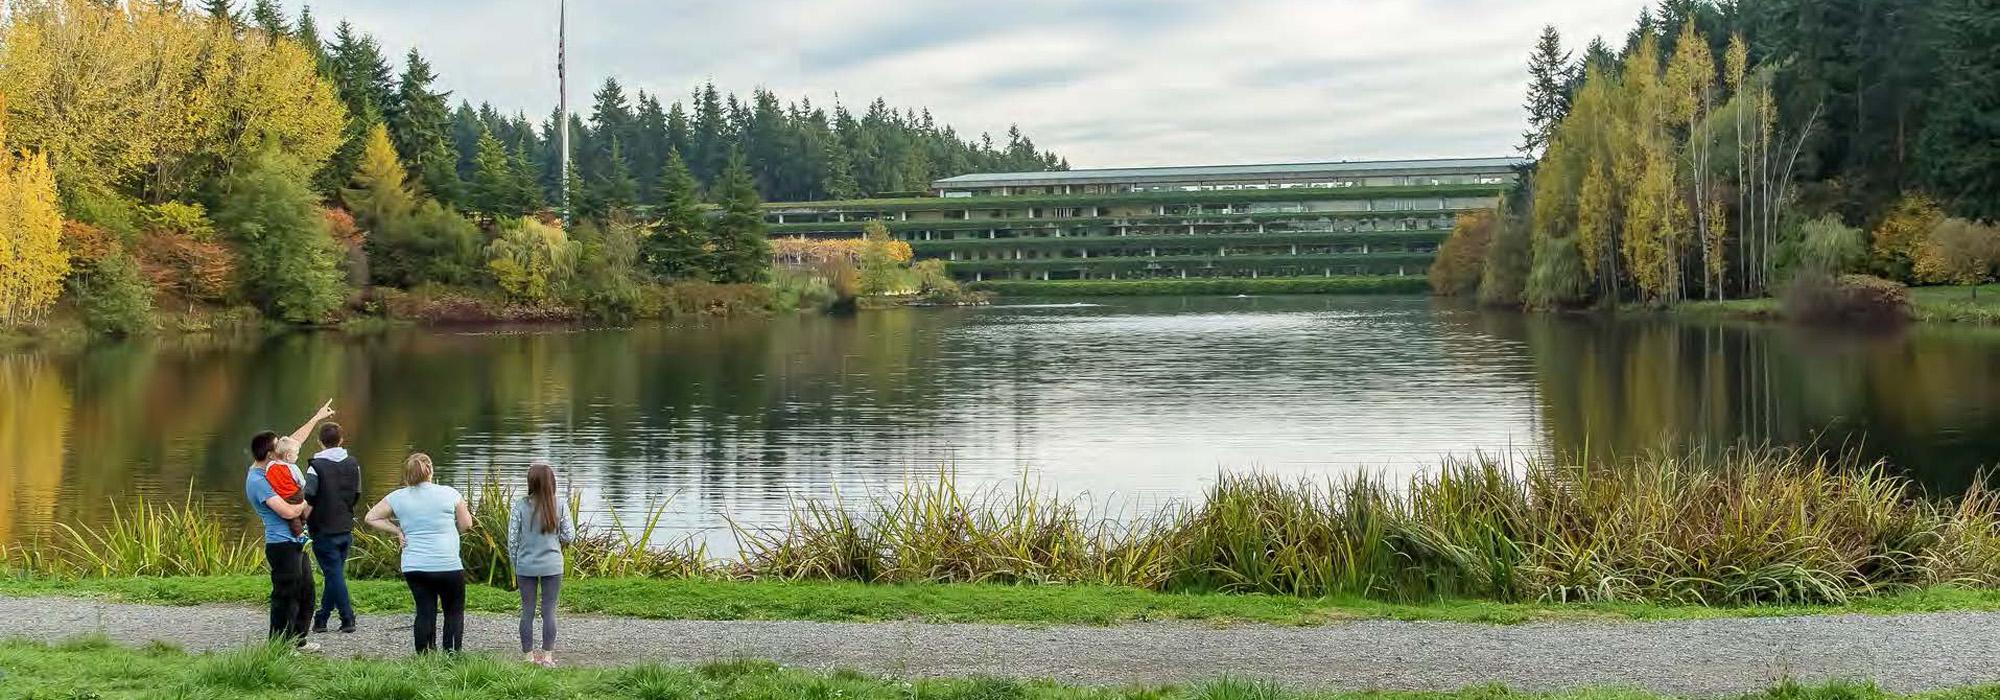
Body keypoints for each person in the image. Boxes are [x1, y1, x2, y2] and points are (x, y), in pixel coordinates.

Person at [245, 399, 336, 651]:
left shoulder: (277, 465)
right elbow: (286, 511)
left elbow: (293, 441)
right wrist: (307, 500)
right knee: (285, 596)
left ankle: (298, 640)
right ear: (269, 453)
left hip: (295, 542)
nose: (284, 446)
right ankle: (279, 646)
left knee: (306, 591)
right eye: (278, 446)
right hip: (281, 544)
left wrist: (317, 417)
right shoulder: (258, 480)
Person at [364, 453, 472, 654]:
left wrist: (397, 530)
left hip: (415, 565)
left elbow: (371, 517)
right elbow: (467, 524)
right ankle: (452, 654)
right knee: (454, 611)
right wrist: (452, 534)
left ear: (407, 474)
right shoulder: (450, 493)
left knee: (424, 611)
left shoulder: (397, 497)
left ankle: (424, 655)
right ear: (430, 470)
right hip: (447, 563)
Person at [507, 463, 574, 667]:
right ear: (551, 481)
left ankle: (528, 657)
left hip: (526, 565)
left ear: (530, 483)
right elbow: (570, 536)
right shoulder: (560, 504)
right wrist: (556, 539)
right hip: (552, 565)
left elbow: (512, 540)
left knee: (527, 611)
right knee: (549, 611)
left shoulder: (519, 505)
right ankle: (547, 657)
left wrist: (515, 563)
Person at [307, 421, 362, 634]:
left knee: (333, 574)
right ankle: (321, 619)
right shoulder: (353, 463)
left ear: (320, 442)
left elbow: (309, 496)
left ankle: (347, 617)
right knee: (335, 573)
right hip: (345, 525)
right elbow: (356, 493)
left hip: (323, 528)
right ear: (341, 440)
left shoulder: (315, 467)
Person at [264, 437, 315, 539]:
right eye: (296, 454)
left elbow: (268, 478)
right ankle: (303, 528)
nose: (297, 457)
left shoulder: (270, 465)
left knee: (292, 517)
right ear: (288, 456)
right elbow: (301, 482)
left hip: (280, 497)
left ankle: (299, 531)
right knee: (302, 505)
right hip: (294, 494)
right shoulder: (292, 468)